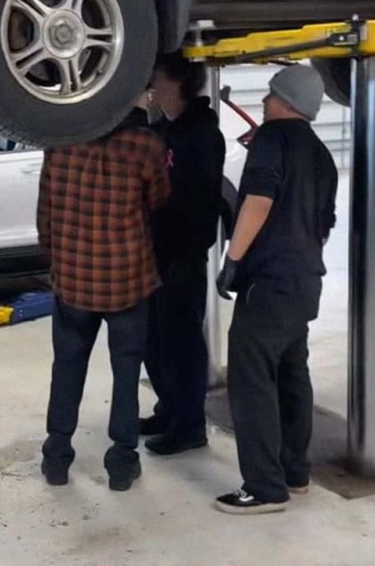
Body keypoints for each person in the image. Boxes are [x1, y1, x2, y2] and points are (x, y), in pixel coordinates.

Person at [213, 64, 338, 515]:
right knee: (291, 374)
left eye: (269, 95)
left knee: (251, 382)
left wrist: (234, 260)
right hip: (305, 283)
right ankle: (293, 472)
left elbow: (259, 200)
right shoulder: (322, 156)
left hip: (268, 284)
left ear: (285, 100)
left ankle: (264, 488)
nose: (263, 102)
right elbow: (323, 228)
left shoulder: (270, 139)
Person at [37, 97, 171, 491]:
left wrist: (58, 260)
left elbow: (45, 214)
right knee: (126, 375)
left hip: (73, 282)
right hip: (128, 282)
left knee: (66, 370)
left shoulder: (59, 142)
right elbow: (160, 202)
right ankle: (121, 463)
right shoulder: (145, 147)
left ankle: (57, 458)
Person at [141, 52, 226, 455]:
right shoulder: (166, 131)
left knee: (182, 343)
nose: (151, 87)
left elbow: (202, 202)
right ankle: (169, 408)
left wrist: (187, 252)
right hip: (155, 255)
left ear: (177, 83)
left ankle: (190, 425)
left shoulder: (202, 136)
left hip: (183, 258)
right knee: (154, 342)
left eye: (156, 78)